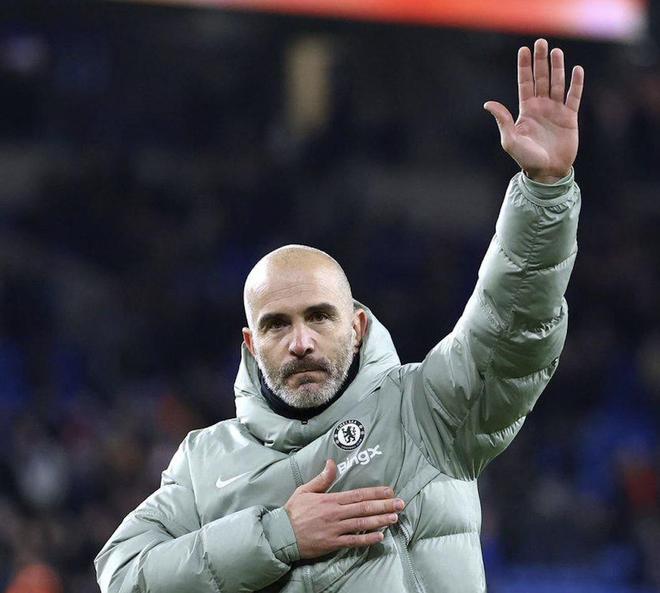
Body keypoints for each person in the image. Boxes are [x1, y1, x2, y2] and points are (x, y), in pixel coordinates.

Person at [95, 38, 584, 593]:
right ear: (251, 344)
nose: (300, 341)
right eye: (277, 324)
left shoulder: (426, 409)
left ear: (357, 326)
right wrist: (278, 536)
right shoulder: (205, 462)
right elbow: (122, 576)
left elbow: (511, 325)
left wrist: (544, 194)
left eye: (320, 317)